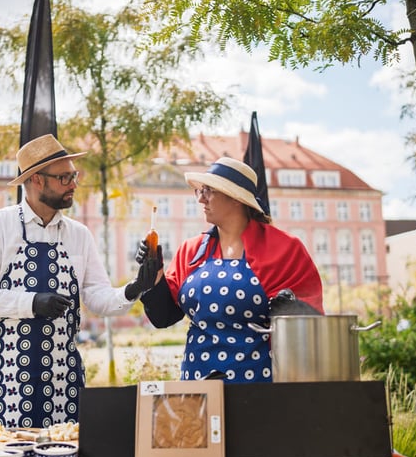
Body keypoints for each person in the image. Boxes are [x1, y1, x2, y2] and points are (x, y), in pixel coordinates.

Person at [0, 134, 160, 428]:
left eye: (74, 176)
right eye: (64, 178)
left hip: (60, 377)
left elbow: (97, 297)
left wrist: (135, 287)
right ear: (37, 180)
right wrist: (32, 303)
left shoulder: (79, 235)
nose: (74, 184)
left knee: (64, 453)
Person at [136, 157, 324, 383]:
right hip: (198, 385)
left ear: (235, 198)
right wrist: (154, 274)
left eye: (209, 191)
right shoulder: (191, 250)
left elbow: (309, 324)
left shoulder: (284, 248)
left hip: (258, 385)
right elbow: (163, 317)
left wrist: (289, 308)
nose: (201, 198)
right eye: (200, 191)